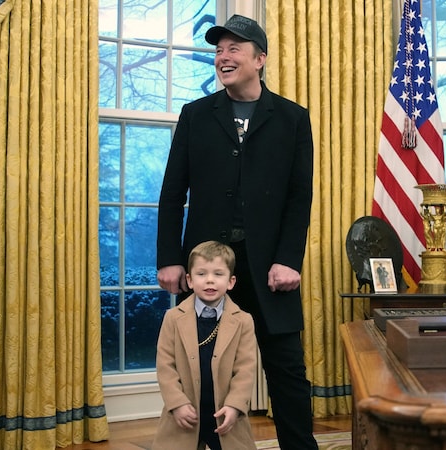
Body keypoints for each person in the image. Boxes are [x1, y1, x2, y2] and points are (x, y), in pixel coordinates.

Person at [156, 14, 317, 449]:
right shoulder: (195, 116)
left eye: (233, 49)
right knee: (200, 368)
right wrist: (170, 258)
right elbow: (172, 194)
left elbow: (298, 199)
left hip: (269, 268)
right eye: (219, 50)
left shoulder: (292, 119)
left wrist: (288, 259)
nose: (223, 58)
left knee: (287, 369)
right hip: (207, 268)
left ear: (259, 59)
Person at [153, 241, 257, 450]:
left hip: (225, 415)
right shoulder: (173, 318)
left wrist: (235, 405)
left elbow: (246, 369)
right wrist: (177, 403)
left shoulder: (244, 321)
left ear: (231, 281)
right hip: (185, 414)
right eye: (201, 274)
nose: (210, 280)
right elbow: (165, 366)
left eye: (218, 274)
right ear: (190, 280)